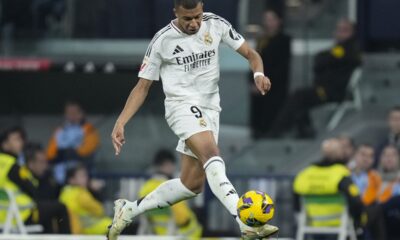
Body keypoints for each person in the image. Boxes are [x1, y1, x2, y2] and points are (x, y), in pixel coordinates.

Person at [107, 0, 278, 239]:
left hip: (211, 109)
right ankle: (246, 222)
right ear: (176, 12)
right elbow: (142, 86)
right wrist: (121, 121)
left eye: (197, 16)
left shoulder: (216, 24)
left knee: (191, 185)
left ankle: (129, 209)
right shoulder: (162, 41)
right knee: (212, 153)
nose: (194, 23)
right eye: (188, 18)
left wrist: (259, 74)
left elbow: (251, 54)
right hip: (181, 106)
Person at [269, 19, 362, 138]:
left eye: (345, 30)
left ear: (353, 33)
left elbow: (328, 59)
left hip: (334, 92)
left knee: (299, 96)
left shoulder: (351, 50)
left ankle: (276, 133)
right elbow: (320, 59)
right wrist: (330, 60)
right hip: (322, 89)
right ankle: (303, 132)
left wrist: (329, 60)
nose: (340, 33)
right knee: (300, 102)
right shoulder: (337, 49)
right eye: (338, 30)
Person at [293, 138, 386, 239]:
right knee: (377, 210)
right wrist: (358, 221)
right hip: (339, 221)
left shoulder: (305, 174)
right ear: (340, 155)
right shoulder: (341, 174)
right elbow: (356, 202)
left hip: (312, 223)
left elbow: (296, 203)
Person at [0, 127, 71, 234]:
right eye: (16, 139)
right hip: (21, 214)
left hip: (5, 215)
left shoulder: (3, 162)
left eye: (21, 139)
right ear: (4, 144)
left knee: (46, 209)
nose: (21, 142)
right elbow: (32, 188)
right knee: (60, 207)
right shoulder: (13, 165)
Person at [138, 149, 202, 237]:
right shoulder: (171, 187)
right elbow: (183, 218)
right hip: (182, 235)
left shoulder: (145, 188)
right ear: (167, 164)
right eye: (172, 165)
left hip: (156, 234)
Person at [249, 9, 291, 139]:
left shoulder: (284, 40)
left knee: (271, 110)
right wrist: (253, 81)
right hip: (259, 81)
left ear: (279, 21)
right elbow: (254, 60)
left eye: (272, 19)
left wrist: (264, 81)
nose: (269, 23)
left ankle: (271, 132)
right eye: (267, 19)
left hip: (275, 84)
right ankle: (257, 131)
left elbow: (281, 67)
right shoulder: (262, 40)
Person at [46, 101, 100, 184]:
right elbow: (50, 154)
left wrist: (72, 152)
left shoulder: (88, 129)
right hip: (61, 171)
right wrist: (61, 154)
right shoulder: (60, 130)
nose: (71, 115)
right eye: (69, 113)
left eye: (74, 112)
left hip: (82, 169)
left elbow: (88, 150)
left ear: (81, 113)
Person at [59, 165, 112, 235]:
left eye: (86, 175)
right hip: (90, 230)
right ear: (71, 180)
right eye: (82, 176)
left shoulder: (64, 192)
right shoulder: (81, 193)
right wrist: (96, 191)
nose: (86, 178)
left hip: (74, 231)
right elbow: (100, 210)